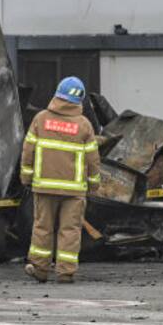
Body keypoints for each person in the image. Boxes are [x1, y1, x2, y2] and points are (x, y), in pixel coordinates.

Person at [20, 76, 100, 283]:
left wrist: (26, 177)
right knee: (70, 230)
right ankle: (65, 272)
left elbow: (28, 151)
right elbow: (93, 159)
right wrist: (93, 184)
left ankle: (39, 269)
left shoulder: (40, 119)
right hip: (73, 191)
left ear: (57, 94)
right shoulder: (84, 125)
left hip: (44, 186)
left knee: (42, 227)